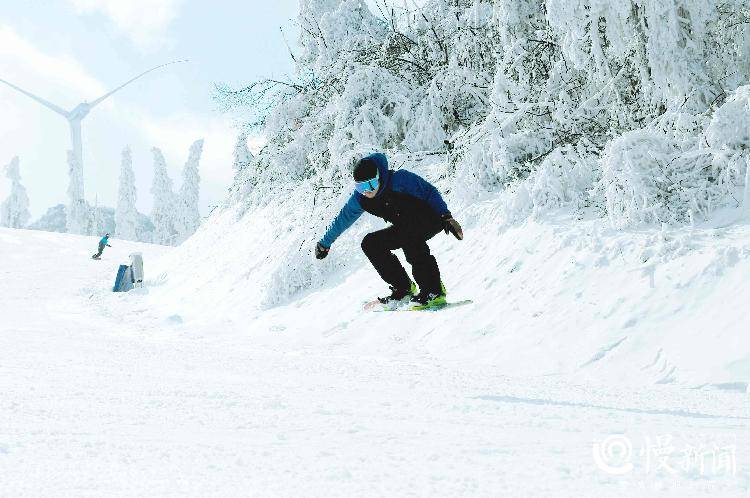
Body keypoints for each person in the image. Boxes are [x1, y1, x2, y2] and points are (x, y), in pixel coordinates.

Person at [315, 153, 463, 306]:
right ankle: (403, 289)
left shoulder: (399, 180)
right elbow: (343, 219)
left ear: (379, 177)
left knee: (409, 236)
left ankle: (434, 291)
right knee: (371, 243)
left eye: (370, 185)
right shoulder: (361, 199)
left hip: (430, 218)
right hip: (405, 226)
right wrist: (325, 243)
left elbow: (429, 192)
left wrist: (446, 216)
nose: (366, 191)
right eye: (361, 187)